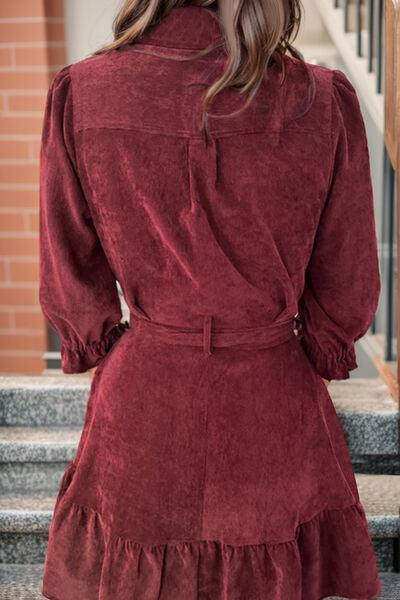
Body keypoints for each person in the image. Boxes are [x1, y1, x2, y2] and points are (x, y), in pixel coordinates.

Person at [38, 1, 382, 598]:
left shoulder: (84, 92)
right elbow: (346, 276)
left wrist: (99, 333)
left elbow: (67, 263)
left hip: (143, 408)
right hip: (271, 406)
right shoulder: (320, 99)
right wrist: (327, 341)